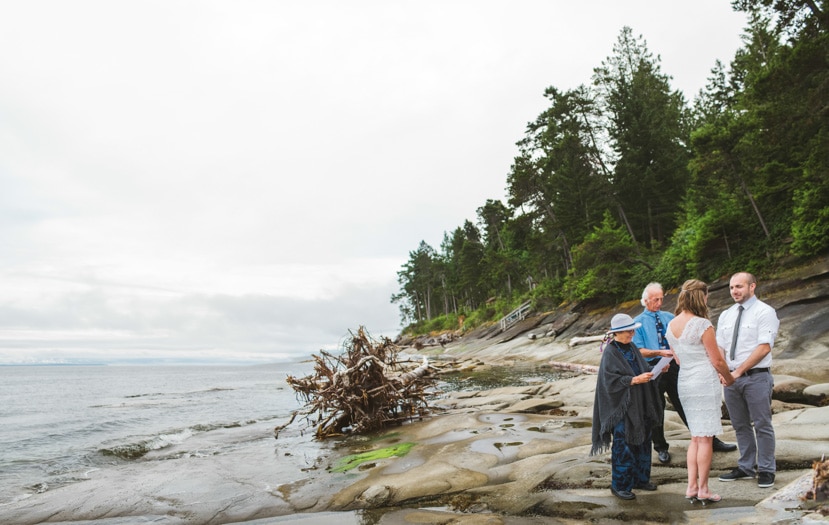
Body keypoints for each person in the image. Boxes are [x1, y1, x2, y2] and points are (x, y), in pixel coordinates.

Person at [633, 283, 737, 465]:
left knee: (685, 404)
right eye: (655, 299)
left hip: (675, 366)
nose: (659, 302)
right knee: (656, 408)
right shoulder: (638, 323)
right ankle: (661, 447)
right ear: (646, 300)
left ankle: (710, 439)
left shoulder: (669, 317)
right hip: (652, 368)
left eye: (661, 298)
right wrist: (658, 353)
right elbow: (638, 350)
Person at [666, 279, 735, 503]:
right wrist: (730, 378)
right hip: (704, 381)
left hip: (685, 381)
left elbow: (676, 358)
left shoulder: (671, 325)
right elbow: (717, 360)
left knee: (696, 437)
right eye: (706, 296)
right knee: (705, 439)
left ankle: (691, 487)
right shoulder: (702, 324)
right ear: (701, 297)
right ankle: (704, 489)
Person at [717, 272, 780, 489]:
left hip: (756, 377)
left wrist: (738, 371)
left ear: (752, 286)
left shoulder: (765, 312)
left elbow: (764, 347)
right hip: (731, 379)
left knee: (762, 424)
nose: (734, 291)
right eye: (732, 287)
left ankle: (766, 469)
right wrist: (722, 371)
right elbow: (720, 346)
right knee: (740, 425)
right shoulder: (726, 314)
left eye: (739, 287)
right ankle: (745, 467)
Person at [591, 313, 663, 500]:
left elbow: (641, 368)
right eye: (629, 331)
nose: (632, 333)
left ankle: (641, 479)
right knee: (624, 445)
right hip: (622, 407)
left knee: (644, 441)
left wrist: (656, 369)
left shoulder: (631, 347)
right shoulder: (610, 352)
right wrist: (633, 380)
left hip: (641, 404)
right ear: (618, 333)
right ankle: (620, 485)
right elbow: (609, 381)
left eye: (633, 330)